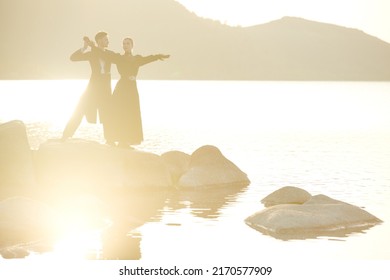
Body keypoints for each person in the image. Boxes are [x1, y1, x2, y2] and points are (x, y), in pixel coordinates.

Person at [103, 37, 169, 148]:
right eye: (124, 43)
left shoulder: (137, 59)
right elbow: (106, 55)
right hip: (121, 88)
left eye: (128, 43)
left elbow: (148, 58)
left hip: (132, 88)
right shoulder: (119, 58)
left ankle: (126, 141)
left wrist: (158, 56)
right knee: (119, 112)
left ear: (132, 45)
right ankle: (116, 139)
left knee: (131, 114)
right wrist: (94, 47)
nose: (125, 45)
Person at [61, 31, 115, 144]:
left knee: (108, 114)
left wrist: (93, 46)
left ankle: (110, 140)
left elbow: (115, 59)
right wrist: (85, 47)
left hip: (105, 88)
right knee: (79, 109)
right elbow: (73, 58)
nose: (108, 41)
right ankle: (66, 135)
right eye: (106, 39)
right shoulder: (92, 54)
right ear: (99, 41)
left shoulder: (109, 53)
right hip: (93, 88)